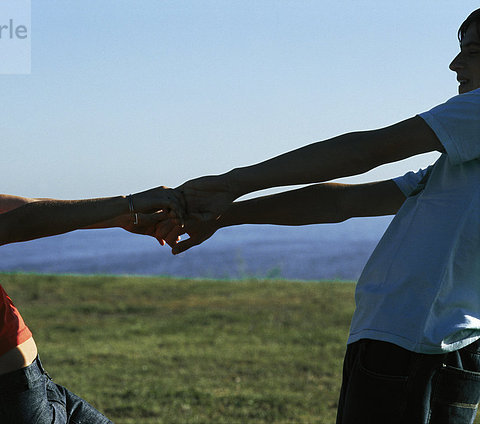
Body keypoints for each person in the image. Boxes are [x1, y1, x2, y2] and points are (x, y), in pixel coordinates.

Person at [159, 8, 480, 424]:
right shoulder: (461, 162)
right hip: (422, 347)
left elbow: (367, 151)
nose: (455, 64)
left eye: (471, 53)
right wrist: (224, 215)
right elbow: (341, 203)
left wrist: (233, 182)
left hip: (416, 349)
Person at [0, 123, 183, 424]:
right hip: (1, 405)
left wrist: (122, 218)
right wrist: (128, 202)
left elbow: (29, 207)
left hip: (35, 385)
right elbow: (18, 224)